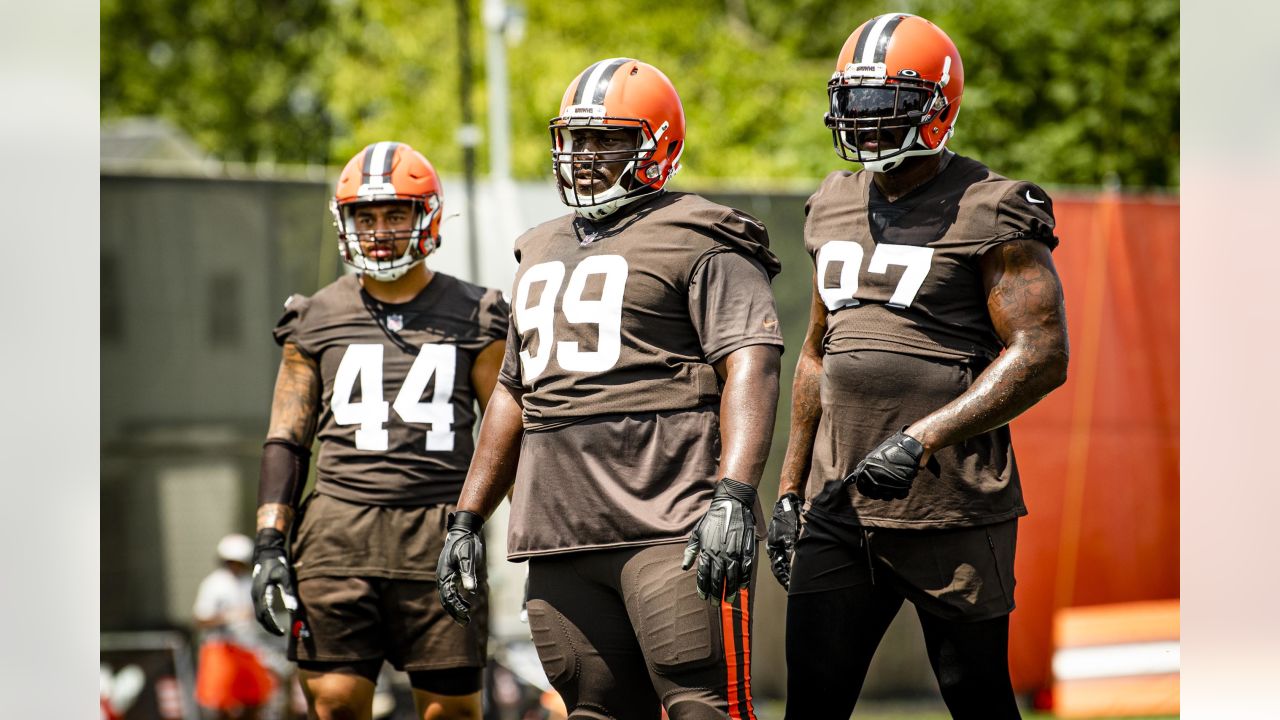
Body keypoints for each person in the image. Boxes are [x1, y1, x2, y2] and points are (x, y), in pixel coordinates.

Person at [436, 58, 784, 720]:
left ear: (659, 145)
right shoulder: (538, 247)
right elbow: (514, 391)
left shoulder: (702, 234)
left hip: (672, 520)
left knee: (703, 707)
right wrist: (466, 516)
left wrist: (735, 494)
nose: (586, 156)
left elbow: (752, 363)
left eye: (609, 140)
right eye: (577, 140)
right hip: (561, 530)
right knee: (592, 710)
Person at [765, 14, 1070, 720]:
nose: (865, 122)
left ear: (938, 106)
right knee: (812, 704)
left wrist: (921, 439)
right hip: (839, 502)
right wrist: (788, 489)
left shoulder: (992, 204)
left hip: (951, 503)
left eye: (885, 103)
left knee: (977, 700)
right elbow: (818, 352)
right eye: (855, 101)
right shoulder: (833, 200)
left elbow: (1042, 353)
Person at [249, 141, 509, 720]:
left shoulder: (479, 313)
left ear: (428, 217)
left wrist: (539, 535)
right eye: (365, 216)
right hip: (338, 532)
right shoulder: (313, 317)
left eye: (396, 214)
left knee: (453, 712)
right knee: (335, 703)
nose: (380, 230)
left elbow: (506, 434)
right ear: (345, 223)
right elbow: (287, 438)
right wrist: (269, 544)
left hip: (439, 532)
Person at [193, 534, 277, 720]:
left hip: (247, 647)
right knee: (222, 701)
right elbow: (200, 619)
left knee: (257, 696)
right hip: (221, 648)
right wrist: (228, 617)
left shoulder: (249, 582)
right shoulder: (214, 583)